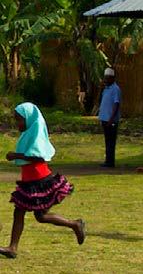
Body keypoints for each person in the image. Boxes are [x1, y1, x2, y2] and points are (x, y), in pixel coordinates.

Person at [0, 103, 85, 259]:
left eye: (19, 120)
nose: (17, 123)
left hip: (39, 181)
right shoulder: (28, 132)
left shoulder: (36, 131)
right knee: (35, 215)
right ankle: (74, 224)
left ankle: (13, 247)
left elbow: (38, 156)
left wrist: (16, 156)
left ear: (29, 118)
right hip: (30, 180)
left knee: (28, 213)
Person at [98, 67, 121, 168]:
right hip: (104, 119)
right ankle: (107, 160)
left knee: (111, 142)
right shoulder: (106, 89)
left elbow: (116, 104)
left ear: (113, 78)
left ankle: (110, 162)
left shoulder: (115, 89)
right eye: (105, 78)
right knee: (107, 141)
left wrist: (111, 118)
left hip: (111, 120)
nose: (105, 80)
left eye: (108, 78)